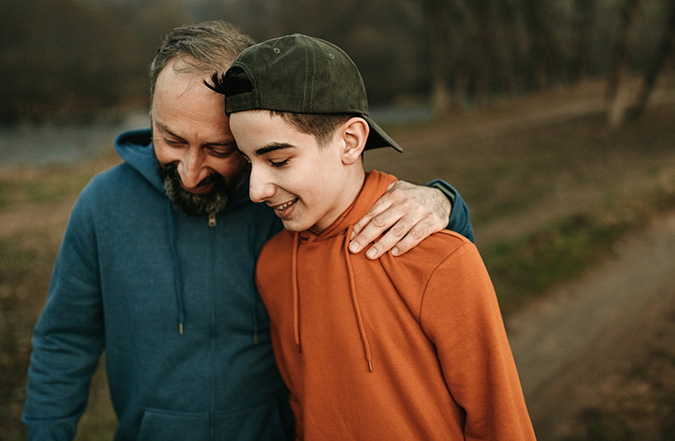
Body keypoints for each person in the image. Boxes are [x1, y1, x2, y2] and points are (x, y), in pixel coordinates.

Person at [22, 22, 474, 441]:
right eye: (172, 140)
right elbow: (65, 340)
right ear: (151, 116)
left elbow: (394, 237)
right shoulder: (103, 205)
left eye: (218, 148)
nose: (191, 172)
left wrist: (444, 202)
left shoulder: (285, 206)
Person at [218, 34, 535, 440]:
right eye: (248, 162)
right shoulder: (273, 266)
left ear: (350, 141)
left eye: (278, 160)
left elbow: (502, 426)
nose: (256, 189)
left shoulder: (439, 259)